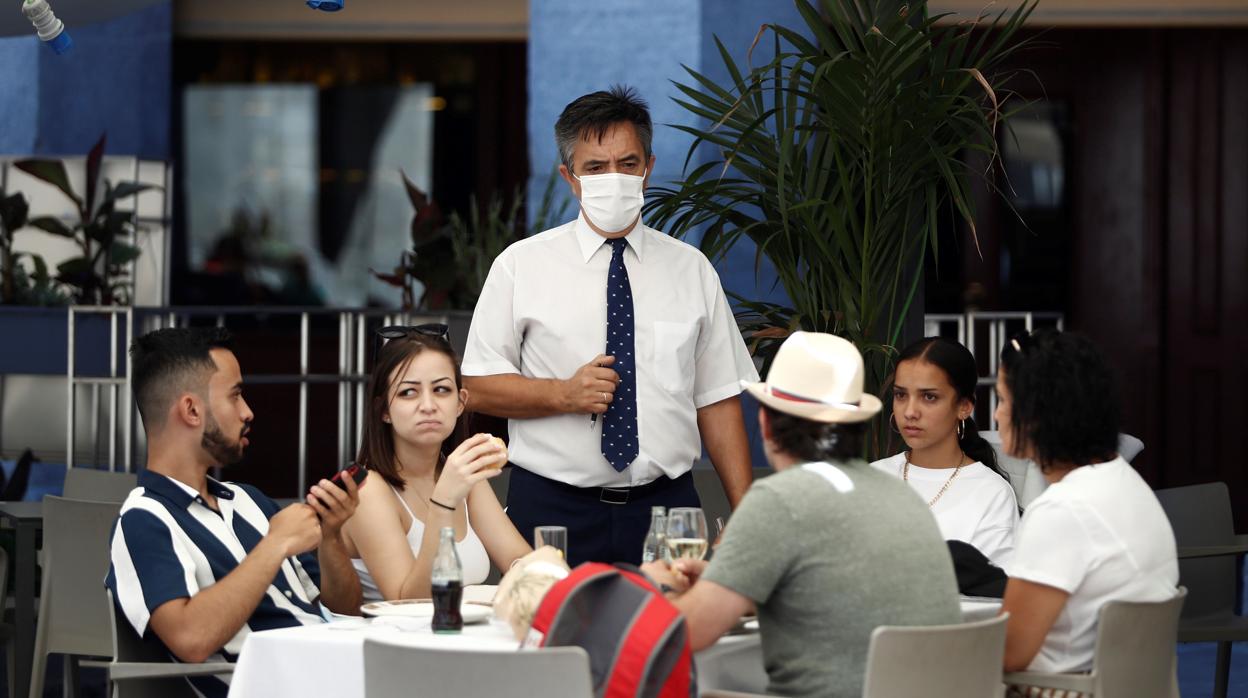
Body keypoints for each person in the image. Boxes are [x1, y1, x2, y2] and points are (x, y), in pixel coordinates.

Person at [461, 86, 758, 565]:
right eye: (595, 168)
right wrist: (562, 394)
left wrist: (746, 515)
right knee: (555, 637)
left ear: (648, 167)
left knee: (674, 635)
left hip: (668, 509)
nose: (613, 178)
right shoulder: (521, 265)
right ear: (569, 177)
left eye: (627, 163)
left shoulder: (691, 268)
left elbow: (718, 397)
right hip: (553, 507)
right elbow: (475, 386)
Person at [643, 332, 961, 698]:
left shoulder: (778, 500)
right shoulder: (900, 495)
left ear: (764, 423)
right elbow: (831, 593)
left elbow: (689, 634)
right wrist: (730, 580)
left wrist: (657, 583)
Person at [106, 328, 362, 698]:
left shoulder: (250, 501)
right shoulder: (144, 519)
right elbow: (190, 639)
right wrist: (275, 545)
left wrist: (333, 537)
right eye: (236, 395)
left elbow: (344, 610)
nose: (248, 412)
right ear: (192, 410)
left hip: (335, 673)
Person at [996, 329, 1178, 678]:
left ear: (1036, 414)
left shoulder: (1064, 510)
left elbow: (1008, 654)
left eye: (1003, 401)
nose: (996, 416)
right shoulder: (1124, 482)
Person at [340, 326, 532, 601]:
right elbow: (407, 602)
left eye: (442, 390)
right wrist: (444, 500)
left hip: (468, 636)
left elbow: (519, 560)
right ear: (383, 410)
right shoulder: (369, 490)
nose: (428, 405)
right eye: (408, 392)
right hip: (400, 640)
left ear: (460, 402)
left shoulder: (460, 474)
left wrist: (545, 573)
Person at [871, 336, 1019, 567]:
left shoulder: (991, 493)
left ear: (964, 406)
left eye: (929, 397)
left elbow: (992, 591)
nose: (910, 411)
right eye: (901, 395)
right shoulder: (871, 478)